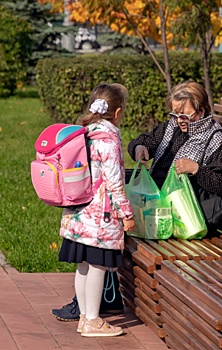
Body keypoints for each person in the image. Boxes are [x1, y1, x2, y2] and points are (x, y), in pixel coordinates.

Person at [58, 83, 136, 337]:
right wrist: (127, 215)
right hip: (100, 218)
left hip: (77, 213)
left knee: (82, 266)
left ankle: (83, 316)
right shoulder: (109, 140)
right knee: (98, 267)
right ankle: (92, 320)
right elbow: (114, 183)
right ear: (117, 112)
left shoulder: (84, 132)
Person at [127, 81, 222, 236]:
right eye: (175, 115)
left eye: (184, 115)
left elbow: (221, 184)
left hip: (178, 213)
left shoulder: (216, 139)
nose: (179, 120)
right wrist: (138, 148)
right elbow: (146, 140)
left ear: (201, 110)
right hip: (154, 201)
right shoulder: (172, 127)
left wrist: (196, 169)